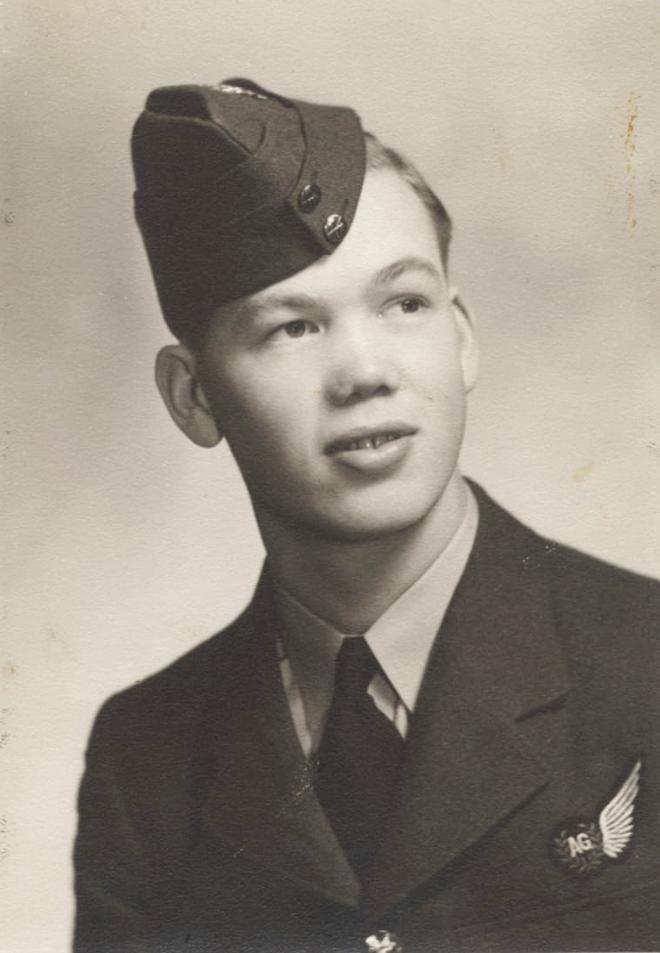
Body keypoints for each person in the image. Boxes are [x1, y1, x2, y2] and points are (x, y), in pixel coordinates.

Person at [73, 78, 660, 953]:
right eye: (292, 328)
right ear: (194, 397)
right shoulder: (145, 755)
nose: (365, 372)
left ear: (461, 339)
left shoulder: (644, 664)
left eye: (404, 303)